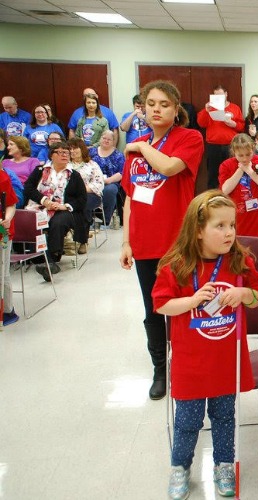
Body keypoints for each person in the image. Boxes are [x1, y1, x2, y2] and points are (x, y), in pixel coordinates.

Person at [152, 191, 258, 500]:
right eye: (220, 226)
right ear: (198, 229)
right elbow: (162, 305)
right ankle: (180, 466)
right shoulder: (176, 264)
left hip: (226, 360)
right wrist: (191, 300)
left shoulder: (239, 261)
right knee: (187, 421)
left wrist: (244, 296)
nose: (230, 232)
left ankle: (223, 464)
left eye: (232, 225)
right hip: (191, 362)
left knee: (225, 417)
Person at [120, 80, 204, 400]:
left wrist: (141, 147)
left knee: (183, 307)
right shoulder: (136, 146)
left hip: (177, 244)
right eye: (151, 103)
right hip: (143, 243)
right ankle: (159, 369)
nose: (156, 109)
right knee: (153, 308)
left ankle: (186, 364)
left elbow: (169, 167)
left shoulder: (189, 138)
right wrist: (126, 241)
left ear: (176, 109)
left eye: (164, 104)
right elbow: (129, 199)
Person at [24, 141, 87, 281]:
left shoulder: (74, 175)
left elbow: (82, 199)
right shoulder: (40, 170)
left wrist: (64, 206)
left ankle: (51, 261)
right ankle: (39, 258)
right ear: (51, 155)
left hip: (64, 210)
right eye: (60, 152)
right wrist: (44, 201)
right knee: (32, 219)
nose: (65, 155)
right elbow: (28, 188)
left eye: (67, 153)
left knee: (58, 222)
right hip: (40, 206)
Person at [219, 133, 258, 239]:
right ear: (234, 153)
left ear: (253, 149)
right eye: (240, 155)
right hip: (238, 218)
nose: (244, 159)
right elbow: (224, 190)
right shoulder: (226, 165)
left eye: (248, 154)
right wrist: (240, 170)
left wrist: (251, 172)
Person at [197, 85, 244, 190]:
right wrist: (206, 111)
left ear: (226, 94)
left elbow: (241, 126)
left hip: (231, 146)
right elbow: (201, 124)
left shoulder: (235, 108)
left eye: (221, 95)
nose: (219, 98)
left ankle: (232, 193)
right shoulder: (210, 108)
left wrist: (233, 124)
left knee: (232, 171)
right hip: (213, 146)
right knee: (213, 173)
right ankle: (213, 198)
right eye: (216, 96)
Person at [67, 137, 104, 254]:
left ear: (82, 149)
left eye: (75, 148)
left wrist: (81, 190)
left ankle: (83, 240)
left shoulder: (92, 165)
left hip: (91, 194)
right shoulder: (66, 165)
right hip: (69, 196)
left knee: (83, 205)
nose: (72, 151)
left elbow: (99, 183)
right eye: (70, 149)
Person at [89, 130, 126, 227]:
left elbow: (121, 173)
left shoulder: (118, 155)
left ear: (113, 141)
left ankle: (105, 220)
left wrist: (108, 180)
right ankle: (87, 220)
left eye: (109, 139)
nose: (106, 141)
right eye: (104, 138)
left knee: (109, 190)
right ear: (100, 139)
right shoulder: (91, 152)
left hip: (110, 182)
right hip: (92, 181)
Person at [0, 159, 19, 325]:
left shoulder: (3, 178)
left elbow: (11, 204)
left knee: (2, 274)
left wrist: (7, 219)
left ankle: (7, 311)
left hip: (2, 233)